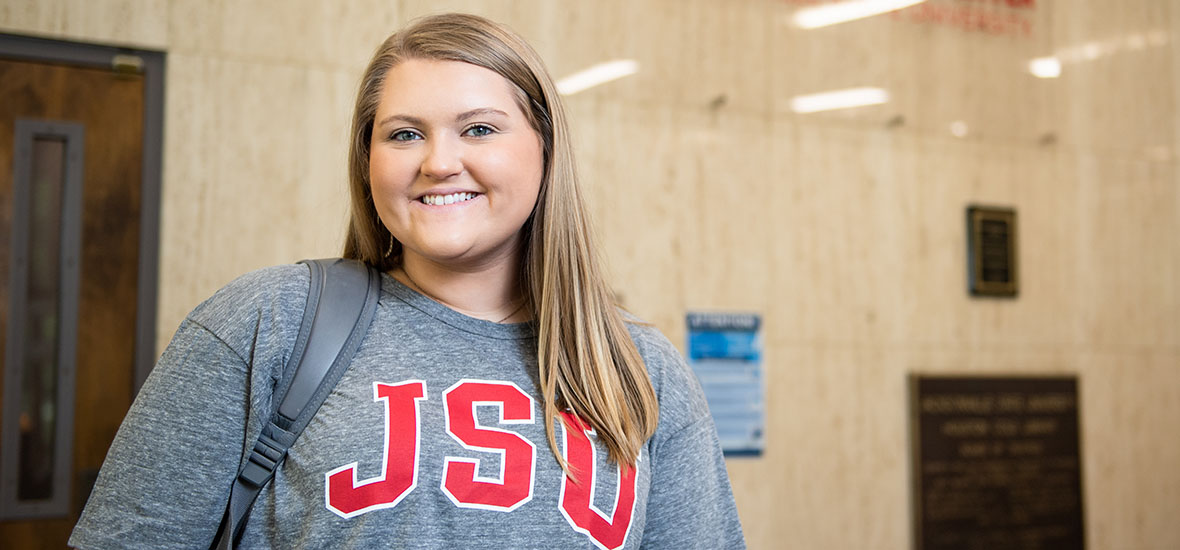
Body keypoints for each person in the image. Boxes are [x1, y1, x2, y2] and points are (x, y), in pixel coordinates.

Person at [70, 12, 745, 549]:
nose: (439, 162)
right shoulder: (264, 323)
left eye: (478, 128)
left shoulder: (641, 370)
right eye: (403, 135)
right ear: (368, 158)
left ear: (546, 149)